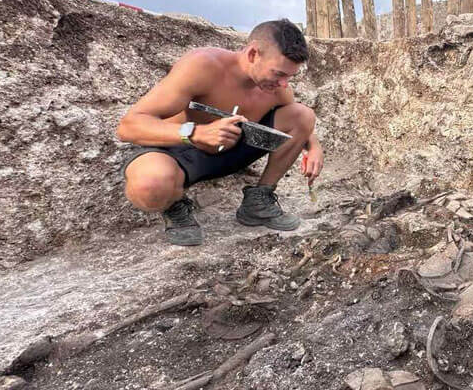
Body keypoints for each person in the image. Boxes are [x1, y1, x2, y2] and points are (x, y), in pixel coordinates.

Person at [117, 19, 323, 246]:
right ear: (253, 54)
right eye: (279, 73)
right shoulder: (203, 66)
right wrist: (195, 133)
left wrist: (313, 147)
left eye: (289, 77)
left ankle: (259, 199)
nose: (284, 83)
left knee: (303, 114)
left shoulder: (275, 88)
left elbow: (300, 124)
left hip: (233, 152)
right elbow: (128, 126)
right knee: (148, 187)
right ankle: (174, 205)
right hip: (181, 153)